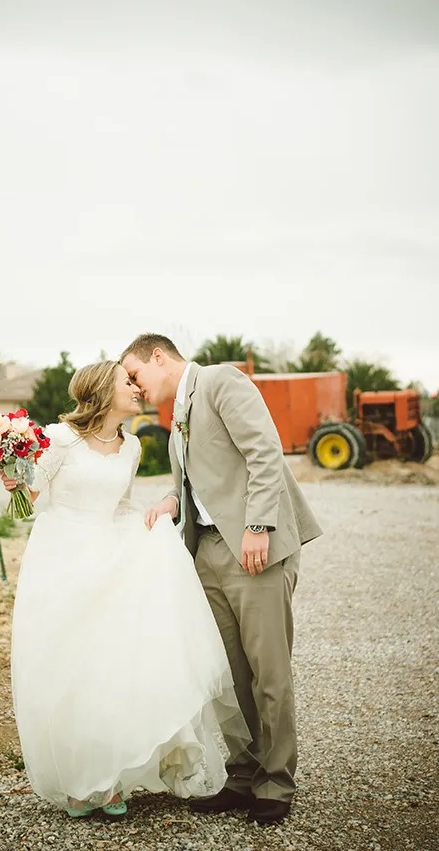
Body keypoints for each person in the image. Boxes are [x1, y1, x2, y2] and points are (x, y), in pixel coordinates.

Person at [2, 360, 250, 820]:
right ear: (101, 390)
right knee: (69, 670)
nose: (136, 389)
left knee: (109, 665)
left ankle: (109, 776)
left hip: (110, 558)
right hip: (61, 561)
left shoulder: (132, 446)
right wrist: (13, 478)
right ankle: (78, 782)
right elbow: (30, 503)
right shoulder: (58, 440)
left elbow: (117, 504)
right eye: (127, 382)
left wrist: (152, 515)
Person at [121, 334, 322, 826]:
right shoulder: (175, 417)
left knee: (267, 671)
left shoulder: (220, 382)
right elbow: (196, 480)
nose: (134, 386)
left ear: (159, 357)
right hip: (206, 551)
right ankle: (241, 776)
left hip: (252, 548)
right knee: (229, 675)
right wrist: (172, 500)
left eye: (135, 374)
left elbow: (265, 452)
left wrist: (258, 526)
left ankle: (275, 784)